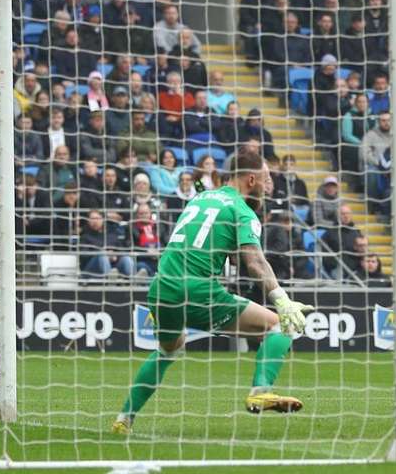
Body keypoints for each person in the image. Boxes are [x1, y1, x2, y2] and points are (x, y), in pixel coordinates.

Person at [112, 149, 314, 434]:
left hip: (161, 287)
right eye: (267, 180)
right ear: (252, 180)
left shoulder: (201, 197)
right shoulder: (241, 210)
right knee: (278, 324)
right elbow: (254, 261)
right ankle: (260, 390)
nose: (270, 188)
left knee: (170, 349)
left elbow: (222, 248)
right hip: (196, 289)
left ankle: (124, 419)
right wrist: (282, 299)